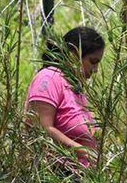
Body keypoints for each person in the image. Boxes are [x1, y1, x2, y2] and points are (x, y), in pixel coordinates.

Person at [26, 26, 105, 172]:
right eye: (93, 61)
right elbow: (40, 128)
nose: (96, 70)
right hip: (57, 175)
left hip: (79, 176)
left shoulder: (74, 86)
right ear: (74, 54)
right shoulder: (49, 78)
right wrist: (82, 150)